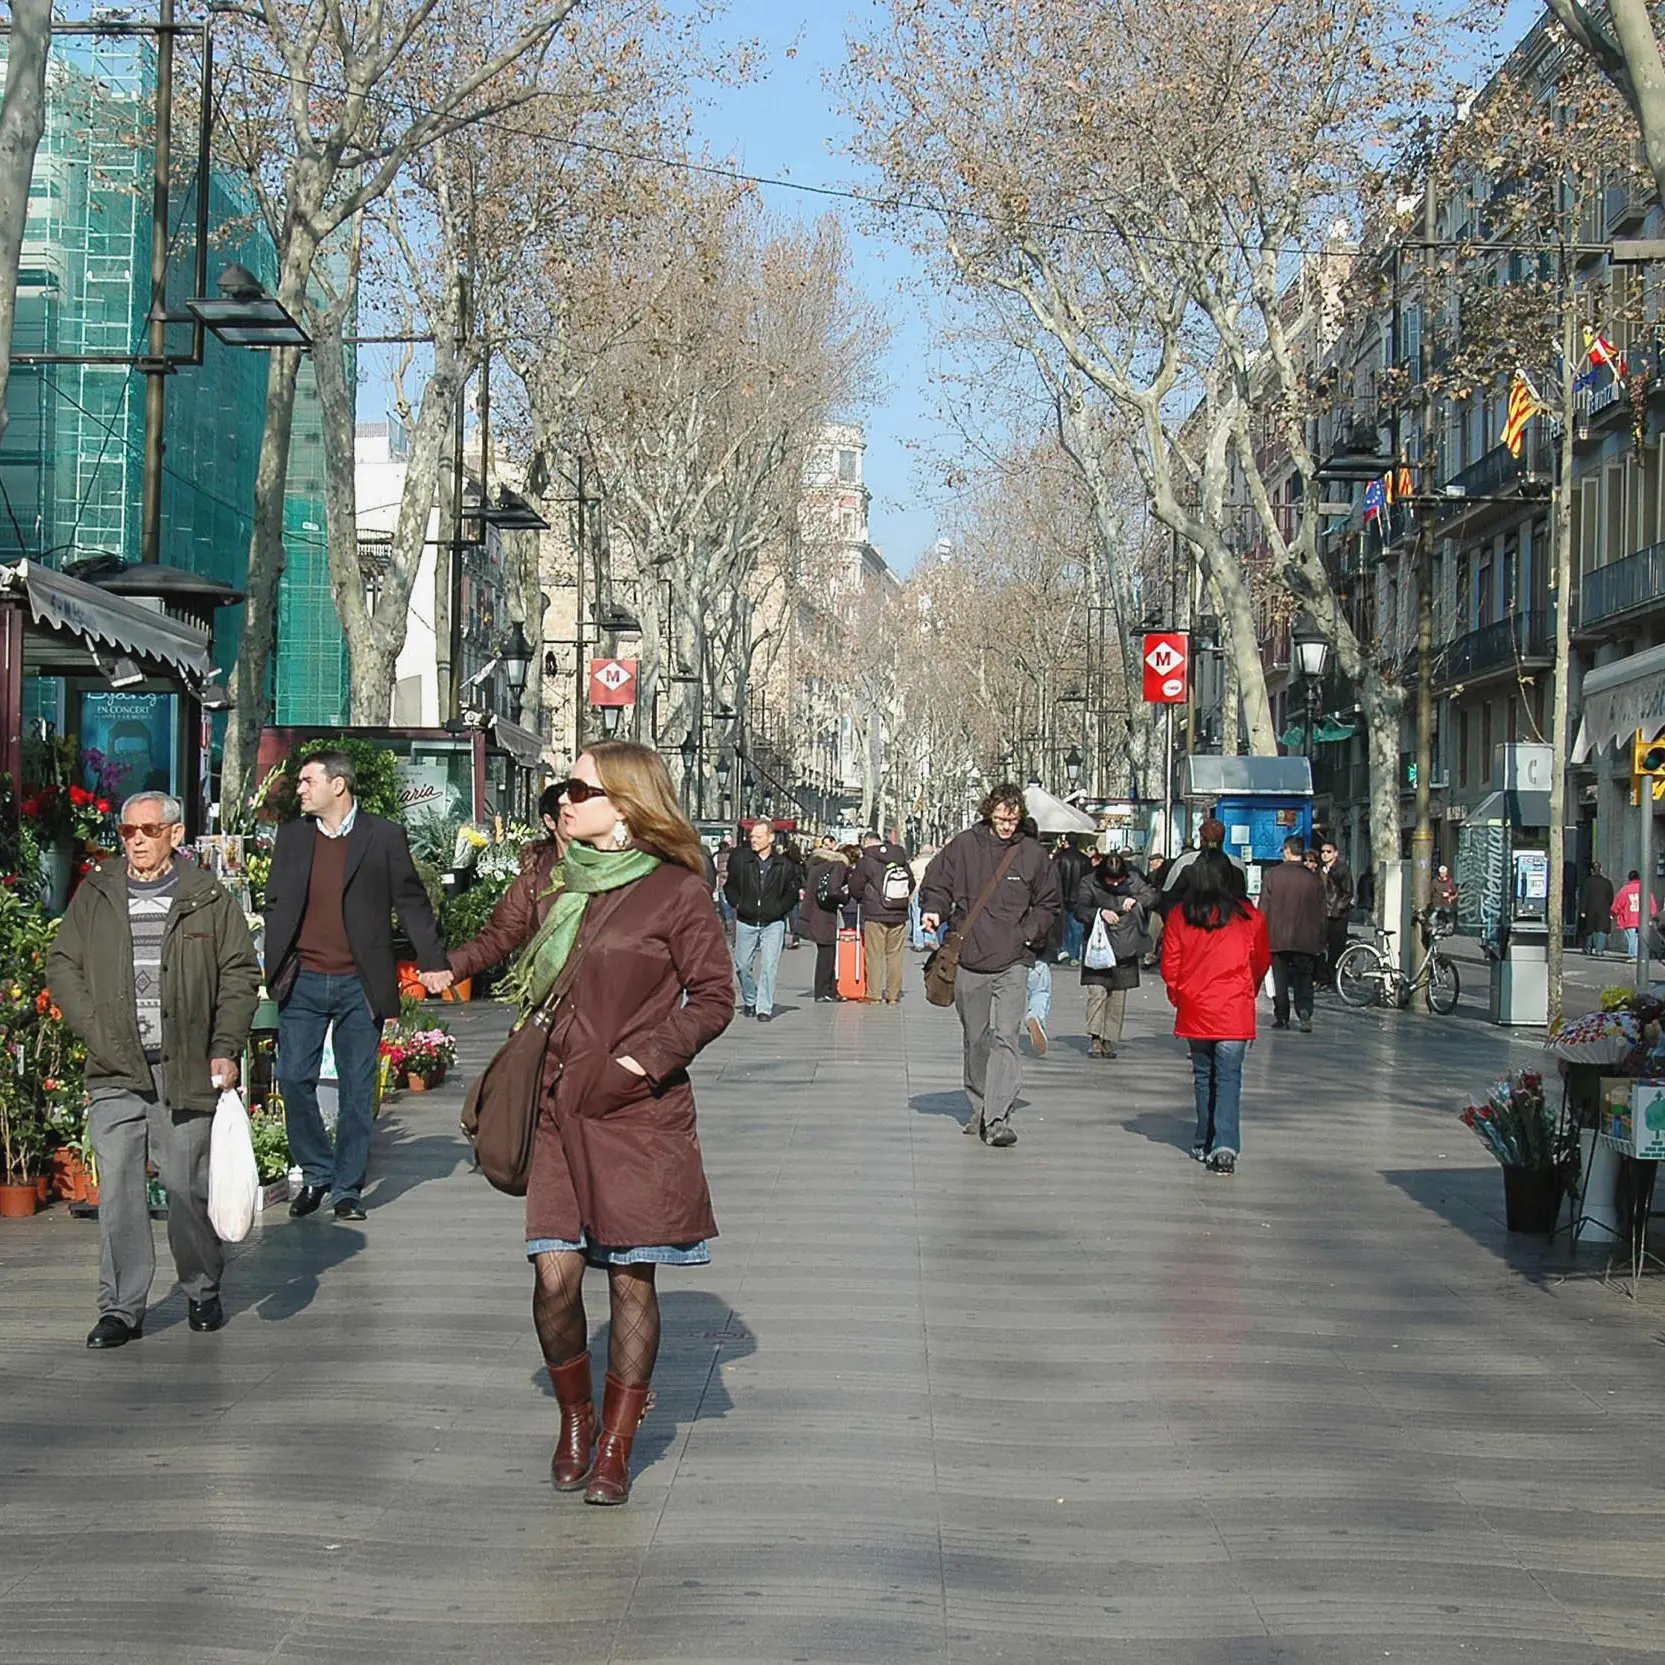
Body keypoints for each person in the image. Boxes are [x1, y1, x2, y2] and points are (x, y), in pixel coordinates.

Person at [443, 742, 732, 1506]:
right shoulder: (552, 878)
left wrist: (639, 1062)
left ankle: (614, 1443)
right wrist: (447, 959)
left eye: (579, 787)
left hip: (635, 1113)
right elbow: (503, 938)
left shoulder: (676, 893)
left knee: (631, 1278)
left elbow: (712, 996)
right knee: (554, 1273)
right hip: (552, 1105)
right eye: (565, 786)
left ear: (626, 807)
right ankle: (576, 1416)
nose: (563, 799)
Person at [47, 792, 260, 1347]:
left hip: (184, 1067)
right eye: (126, 831)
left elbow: (239, 974)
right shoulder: (97, 893)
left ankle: (202, 1289)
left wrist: (225, 1046)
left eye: (147, 829)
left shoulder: (207, 897)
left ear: (175, 832)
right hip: (115, 1068)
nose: (136, 840)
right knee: (116, 1188)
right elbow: (63, 964)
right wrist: (96, 1029)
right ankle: (120, 1308)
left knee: (185, 1188)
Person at [263, 750, 450, 1222]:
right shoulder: (293, 836)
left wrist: (432, 961)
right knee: (292, 1077)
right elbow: (276, 899)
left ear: (338, 785)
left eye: (308, 781)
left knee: (356, 1089)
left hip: (359, 982)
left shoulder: (382, 836)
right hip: (302, 978)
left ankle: (347, 1189)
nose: (300, 789)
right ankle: (317, 1171)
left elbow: (411, 901)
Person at [920, 784, 1061, 1148]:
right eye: (1000, 818)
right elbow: (937, 882)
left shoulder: (1032, 854)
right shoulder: (965, 845)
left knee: (1006, 1037)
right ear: (989, 813)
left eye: (1013, 819)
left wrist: (1027, 934)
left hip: (1013, 959)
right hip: (970, 956)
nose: (1006, 825)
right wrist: (933, 911)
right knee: (975, 1036)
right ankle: (980, 1104)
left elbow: (1049, 903)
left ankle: (997, 1117)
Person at [1161, 849, 1271, 1175]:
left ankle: (1203, 1138)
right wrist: (1246, 990)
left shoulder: (1181, 916)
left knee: (1203, 1076)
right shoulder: (1249, 918)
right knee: (1229, 1078)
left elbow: (1171, 965)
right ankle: (1225, 1144)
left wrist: (1179, 995)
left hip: (1195, 1007)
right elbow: (1260, 961)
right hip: (1233, 1008)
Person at [1074, 850, 1157, 1058]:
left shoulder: (1133, 879)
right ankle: (1094, 1037)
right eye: (1111, 880)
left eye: (1119, 880)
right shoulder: (1089, 882)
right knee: (1097, 992)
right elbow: (1080, 908)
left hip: (1125, 945)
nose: (1115, 884)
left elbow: (1152, 896)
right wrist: (1099, 913)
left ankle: (1109, 1039)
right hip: (1099, 946)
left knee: (1118, 996)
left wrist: (1135, 899)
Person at [723, 818, 803, 1022]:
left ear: (770, 838)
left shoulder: (784, 865)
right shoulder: (742, 860)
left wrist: (779, 910)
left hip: (773, 923)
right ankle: (750, 999)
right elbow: (729, 886)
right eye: (752, 836)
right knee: (741, 965)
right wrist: (738, 904)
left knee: (769, 966)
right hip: (746, 919)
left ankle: (763, 1007)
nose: (753, 840)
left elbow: (792, 894)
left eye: (758, 836)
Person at [1257, 835, 1326, 1033]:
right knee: (1303, 976)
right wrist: (1321, 939)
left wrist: (1261, 934)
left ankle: (1282, 1016)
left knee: (1279, 978)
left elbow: (1264, 908)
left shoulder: (1273, 875)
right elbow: (1322, 912)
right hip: (1306, 938)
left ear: (1287, 851)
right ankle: (1304, 1012)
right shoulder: (1313, 879)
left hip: (1276, 937)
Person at [848, 828, 915, 1003]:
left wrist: (863, 898)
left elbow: (855, 885)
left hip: (875, 913)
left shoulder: (867, 860)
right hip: (899, 913)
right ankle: (893, 996)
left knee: (874, 954)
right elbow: (911, 882)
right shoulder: (900, 857)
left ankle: (874, 994)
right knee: (895, 955)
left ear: (867, 843)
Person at [800, 837, 852, 1002]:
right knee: (828, 953)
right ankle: (824, 991)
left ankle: (827, 989)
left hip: (813, 911)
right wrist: (845, 897)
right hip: (825, 913)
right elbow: (833, 891)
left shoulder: (815, 866)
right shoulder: (838, 866)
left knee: (825, 951)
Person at [1319, 837, 1354, 984]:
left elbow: (1348, 892)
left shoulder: (1342, 869)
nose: (1325, 854)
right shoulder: (1321, 870)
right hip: (1322, 914)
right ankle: (1324, 977)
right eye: (1323, 851)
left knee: (1336, 949)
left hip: (1337, 916)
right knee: (1320, 947)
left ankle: (1334, 979)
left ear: (1335, 853)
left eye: (1328, 851)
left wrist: (1337, 909)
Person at [1052, 838, 1091, 963]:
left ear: (1066, 842)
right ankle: (1074, 955)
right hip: (1079, 898)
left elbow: (1052, 878)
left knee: (1062, 926)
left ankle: (1063, 950)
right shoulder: (1085, 859)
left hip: (1060, 896)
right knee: (1077, 928)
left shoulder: (1058, 858)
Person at [1613, 869, 1658, 959]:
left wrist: (1614, 912)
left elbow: (1618, 904)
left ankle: (1633, 955)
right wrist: (1653, 914)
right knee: (1640, 937)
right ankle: (1639, 954)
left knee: (1631, 938)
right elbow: (1652, 903)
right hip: (1642, 918)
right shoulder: (1645, 889)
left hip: (1629, 918)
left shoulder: (1625, 890)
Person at [1581, 862, 1615, 956]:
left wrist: (1583, 910)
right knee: (1602, 930)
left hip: (1590, 909)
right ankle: (1599, 950)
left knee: (1589, 930)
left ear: (1591, 870)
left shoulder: (1587, 881)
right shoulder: (1607, 882)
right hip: (1604, 910)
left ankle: (1588, 949)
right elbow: (1611, 897)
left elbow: (1584, 897)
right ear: (1601, 870)